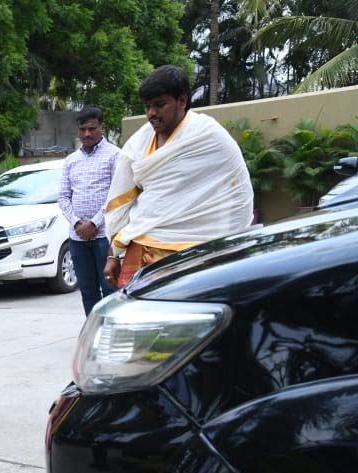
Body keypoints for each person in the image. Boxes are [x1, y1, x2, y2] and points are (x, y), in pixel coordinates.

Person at [103, 65, 254, 288]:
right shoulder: (138, 143)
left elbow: (237, 197)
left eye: (160, 105)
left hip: (197, 256)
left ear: (182, 101)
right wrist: (112, 255)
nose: (152, 113)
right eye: (147, 106)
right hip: (141, 250)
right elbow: (120, 200)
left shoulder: (209, 137)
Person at [58, 106, 120, 315]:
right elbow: (63, 197)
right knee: (87, 292)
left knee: (110, 289)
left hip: (105, 237)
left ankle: (113, 337)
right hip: (77, 239)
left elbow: (116, 196)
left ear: (102, 127)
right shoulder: (71, 160)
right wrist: (77, 223)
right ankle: (94, 335)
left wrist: (94, 223)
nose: (87, 134)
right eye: (82, 129)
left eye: (92, 128)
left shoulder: (115, 156)